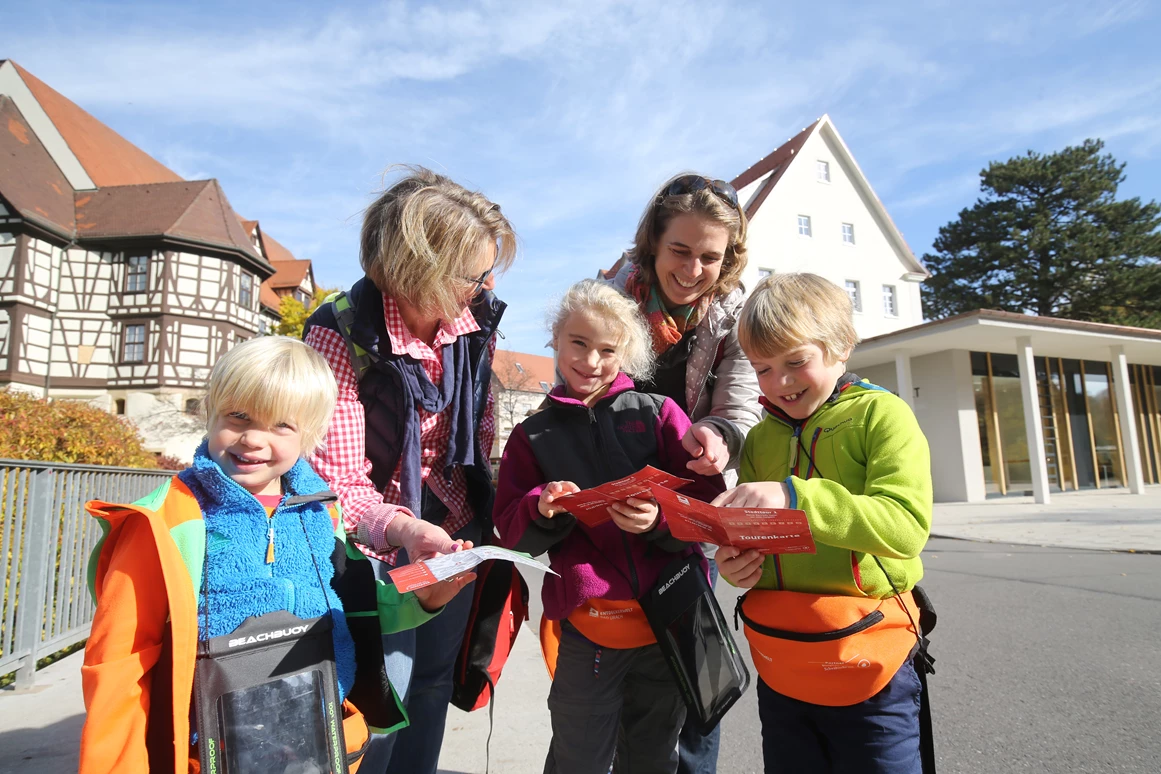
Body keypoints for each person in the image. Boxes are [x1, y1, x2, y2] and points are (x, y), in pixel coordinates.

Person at [78, 336, 471, 774]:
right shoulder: (162, 521)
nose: (252, 439)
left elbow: (358, 606)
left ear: (310, 435)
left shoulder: (322, 511)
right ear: (212, 412)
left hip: (322, 742)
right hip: (213, 752)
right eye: (238, 416)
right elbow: (117, 664)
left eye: (281, 425)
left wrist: (427, 591)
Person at [302, 166, 517, 774]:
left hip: (451, 537)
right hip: (377, 548)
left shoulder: (473, 327)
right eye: (472, 274)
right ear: (416, 267)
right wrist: (404, 532)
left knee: (429, 687)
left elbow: (478, 436)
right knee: (382, 700)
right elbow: (338, 482)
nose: (485, 285)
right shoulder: (340, 332)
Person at [493, 279, 726, 774]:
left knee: (655, 756)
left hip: (670, 623)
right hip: (591, 628)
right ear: (556, 338)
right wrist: (543, 507)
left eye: (607, 350)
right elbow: (510, 530)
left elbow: (707, 506)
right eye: (579, 343)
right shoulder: (532, 434)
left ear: (628, 355)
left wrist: (659, 517)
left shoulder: (660, 412)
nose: (591, 361)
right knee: (580, 756)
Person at [713, 273, 934, 774]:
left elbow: (905, 527)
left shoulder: (884, 416)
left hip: (870, 660)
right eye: (762, 369)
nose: (779, 383)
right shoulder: (762, 439)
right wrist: (736, 564)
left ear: (841, 347)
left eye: (796, 362)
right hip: (783, 660)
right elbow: (755, 544)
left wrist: (793, 496)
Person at [608, 173, 761, 773]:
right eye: (680, 250)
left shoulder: (734, 314)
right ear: (653, 240)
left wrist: (720, 437)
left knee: (695, 673)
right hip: (617, 507)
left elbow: (739, 408)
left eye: (709, 256)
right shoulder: (611, 296)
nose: (693, 269)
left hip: (692, 509)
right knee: (618, 677)